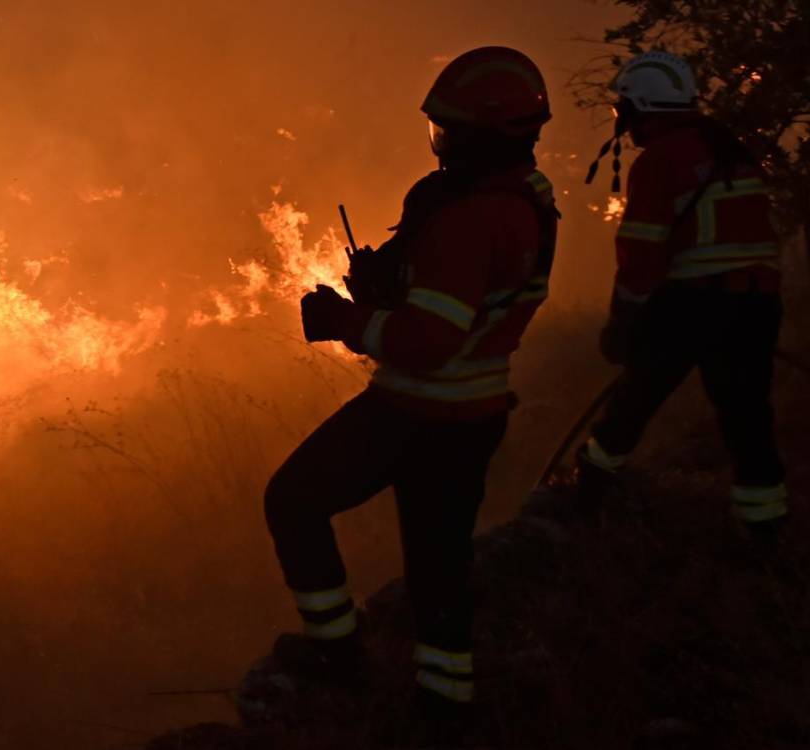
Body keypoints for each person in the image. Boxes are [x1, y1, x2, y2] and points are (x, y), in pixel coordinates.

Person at [263, 46, 559, 727]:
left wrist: (345, 320)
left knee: (293, 500)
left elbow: (428, 344)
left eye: (450, 131)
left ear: (485, 135)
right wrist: (388, 285)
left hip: (417, 413)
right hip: (475, 414)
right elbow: (464, 303)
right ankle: (445, 707)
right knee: (438, 564)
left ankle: (338, 655)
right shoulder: (527, 199)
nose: (442, 145)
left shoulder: (468, 218)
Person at [578, 51, 787, 540]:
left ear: (642, 107)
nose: (623, 123)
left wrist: (622, 321)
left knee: (632, 405)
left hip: (695, 304)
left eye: (623, 111)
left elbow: (640, 255)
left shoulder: (661, 160)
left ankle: (585, 500)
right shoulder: (732, 149)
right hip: (758, 304)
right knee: (748, 420)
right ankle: (764, 530)